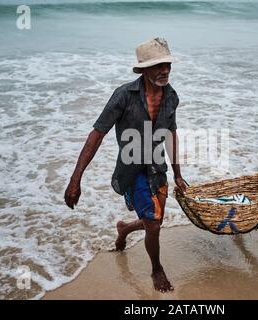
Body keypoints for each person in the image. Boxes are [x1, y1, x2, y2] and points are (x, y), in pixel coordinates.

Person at [64, 37, 187, 292]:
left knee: (155, 221)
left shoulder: (171, 96)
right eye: (158, 66)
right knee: (153, 223)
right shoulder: (123, 95)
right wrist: (76, 179)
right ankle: (157, 269)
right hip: (133, 169)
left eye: (167, 65)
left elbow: (171, 134)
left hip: (158, 168)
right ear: (143, 70)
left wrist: (177, 174)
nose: (164, 70)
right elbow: (97, 133)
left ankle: (124, 229)